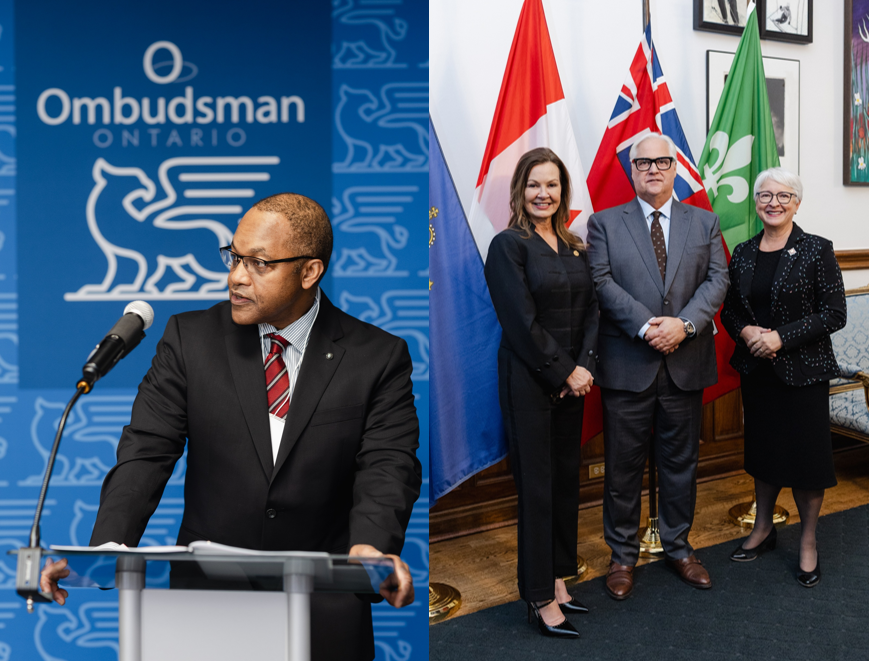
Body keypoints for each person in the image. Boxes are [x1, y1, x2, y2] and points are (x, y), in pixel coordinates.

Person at [41, 193, 421, 661]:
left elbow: (387, 465)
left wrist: (370, 547)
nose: (237, 276)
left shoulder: (377, 357)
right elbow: (146, 453)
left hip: (324, 608)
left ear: (309, 272)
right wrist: (103, 549)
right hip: (205, 607)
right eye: (235, 257)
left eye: (260, 263)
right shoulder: (189, 339)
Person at [586, 133, 729, 600]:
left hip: (685, 362)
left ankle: (679, 547)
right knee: (622, 468)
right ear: (632, 170)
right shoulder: (605, 223)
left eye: (662, 161)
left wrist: (684, 325)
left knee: (680, 464)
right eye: (643, 162)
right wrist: (648, 326)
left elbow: (717, 278)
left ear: (675, 168)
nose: (652, 169)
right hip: (629, 363)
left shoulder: (704, 222)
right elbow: (601, 282)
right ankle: (622, 556)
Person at [484, 148, 598, 639]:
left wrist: (585, 367)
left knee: (565, 482)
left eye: (551, 185)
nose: (543, 194)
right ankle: (537, 597)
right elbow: (520, 321)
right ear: (520, 191)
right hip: (530, 380)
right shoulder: (507, 245)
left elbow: (594, 311)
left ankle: (558, 579)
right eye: (534, 185)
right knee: (536, 487)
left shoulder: (575, 245)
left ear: (562, 191)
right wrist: (564, 371)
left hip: (574, 381)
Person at [721, 168, 846, 587]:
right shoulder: (742, 251)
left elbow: (834, 314)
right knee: (764, 454)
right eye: (764, 195)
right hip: (757, 372)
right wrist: (746, 331)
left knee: (808, 462)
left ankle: (808, 541)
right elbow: (730, 309)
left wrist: (780, 337)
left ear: (797, 202)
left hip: (805, 374)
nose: (773, 202)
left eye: (783, 195)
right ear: (755, 202)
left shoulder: (816, 249)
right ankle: (763, 528)